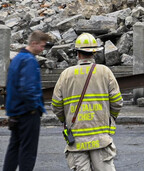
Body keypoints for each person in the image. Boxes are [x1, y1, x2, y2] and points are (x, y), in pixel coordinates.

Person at [52, 33, 123, 171]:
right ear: (94, 53)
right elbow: (117, 102)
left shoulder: (65, 75)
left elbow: (56, 105)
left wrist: (66, 121)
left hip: (76, 140)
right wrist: (110, 118)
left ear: (77, 54)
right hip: (100, 139)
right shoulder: (105, 72)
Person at [3, 30, 53, 171]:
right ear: (34, 43)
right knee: (28, 151)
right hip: (28, 113)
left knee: (14, 148)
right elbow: (28, 89)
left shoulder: (17, 59)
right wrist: (35, 107)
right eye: (42, 46)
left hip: (15, 112)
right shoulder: (29, 61)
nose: (43, 49)